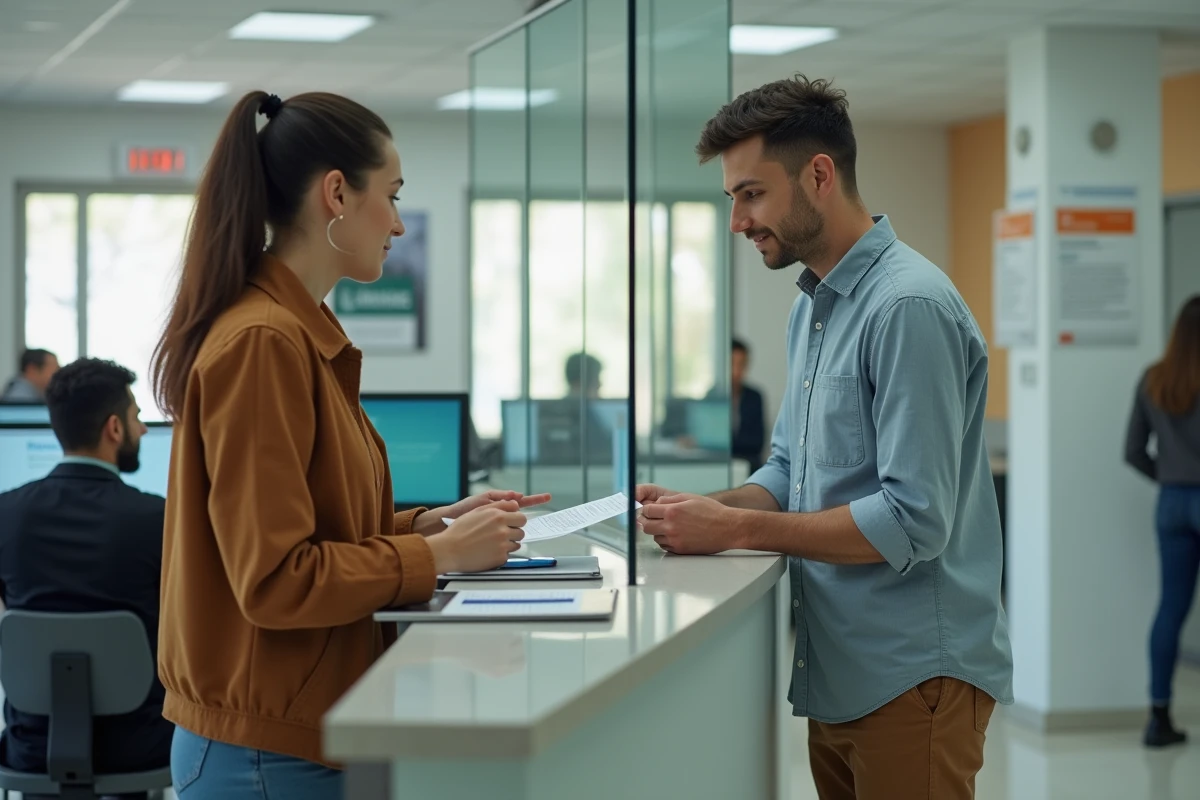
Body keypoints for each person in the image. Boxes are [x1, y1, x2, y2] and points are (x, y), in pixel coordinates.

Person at [150, 90, 549, 799]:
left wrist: (428, 527)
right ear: (336, 193)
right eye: (391, 196)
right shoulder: (264, 341)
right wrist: (438, 558)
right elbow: (276, 578)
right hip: (266, 751)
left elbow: (312, 530)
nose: (397, 223)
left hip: (296, 733)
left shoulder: (295, 333)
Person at [638, 75, 1012, 800]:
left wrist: (736, 527)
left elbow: (913, 519)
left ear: (818, 175)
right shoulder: (814, 307)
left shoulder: (907, 306)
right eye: (732, 199)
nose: (737, 221)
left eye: (752, 194)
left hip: (912, 679)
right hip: (840, 672)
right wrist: (697, 512)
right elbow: (790, 470)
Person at [0, 358, 171, 797]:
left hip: (32, 749)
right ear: (114, 428)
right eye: (136, 417)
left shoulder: (6, 514)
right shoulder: (159, 520)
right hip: (142, 748)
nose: (143, 430)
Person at [1124, 295, 1200, 749]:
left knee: (1170, 608)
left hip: (1170, 504)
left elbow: (1133, 451)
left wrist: (1169, 478)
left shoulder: (1154, 378)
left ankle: (1158, 718)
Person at [707, 338, 766, 471]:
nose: (737, 371)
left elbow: (757, 442)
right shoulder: (712, 396)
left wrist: (720, 442)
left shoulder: (755, 397)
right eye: (732, 364)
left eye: (742, 365)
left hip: (748, 465)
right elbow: (708, 439)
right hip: (719, 466)